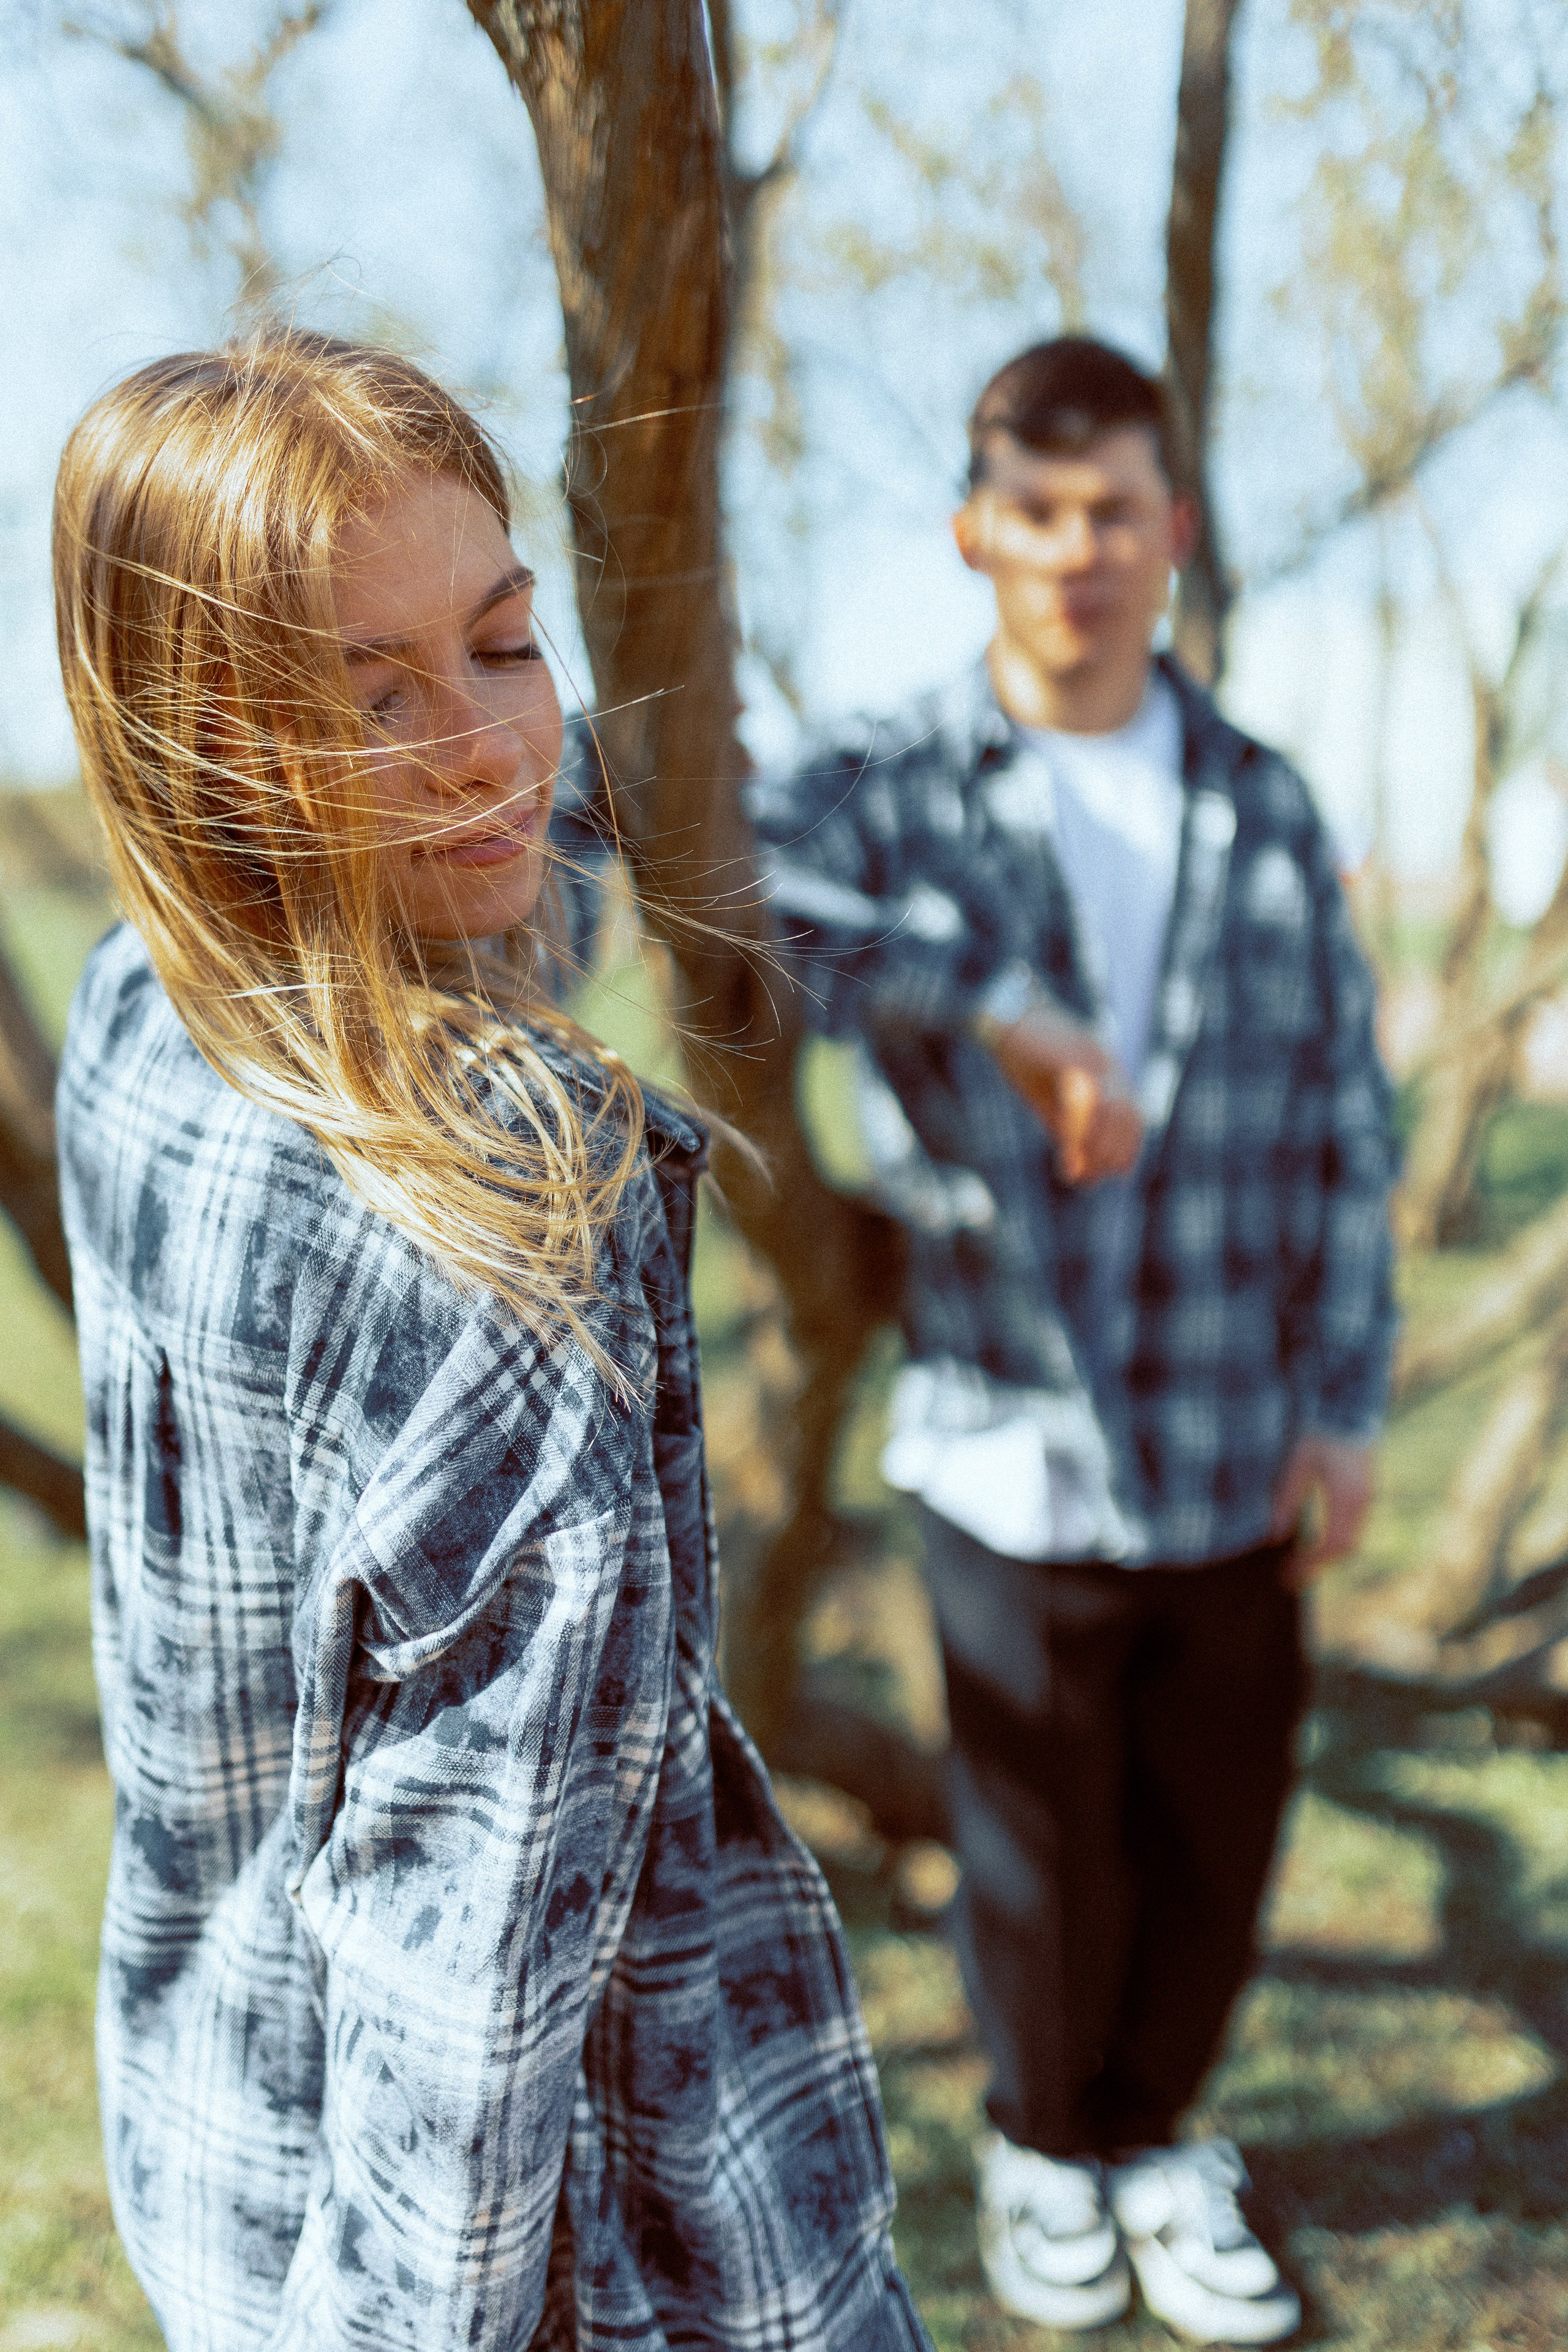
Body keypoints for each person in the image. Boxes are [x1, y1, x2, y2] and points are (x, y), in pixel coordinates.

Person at [52, 330, 929, 2352]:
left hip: (224, 2149)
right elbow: (472, 1987)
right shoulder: (503, 1199)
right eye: (371, 697)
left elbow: (584, 809)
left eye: (506, 642)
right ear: (201, 744)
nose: (485, 749)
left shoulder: (137, 1017)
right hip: (585, 2265)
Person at [748, 337, 1398, 2346]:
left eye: (1116, 508)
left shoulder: (1260, 801)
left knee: (1213, 1832)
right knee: (1037, 1857)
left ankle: (1153, 2140)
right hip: (1007, 1428)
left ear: (1174, 535)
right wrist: (991, 997)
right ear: (974, 533)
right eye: (1037, 511)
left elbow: (1343, 1119)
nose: (1079, 549)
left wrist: (1347, 1396)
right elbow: (704, 875)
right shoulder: (894, 780)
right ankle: (1043, 2149)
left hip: (1231, 1427)